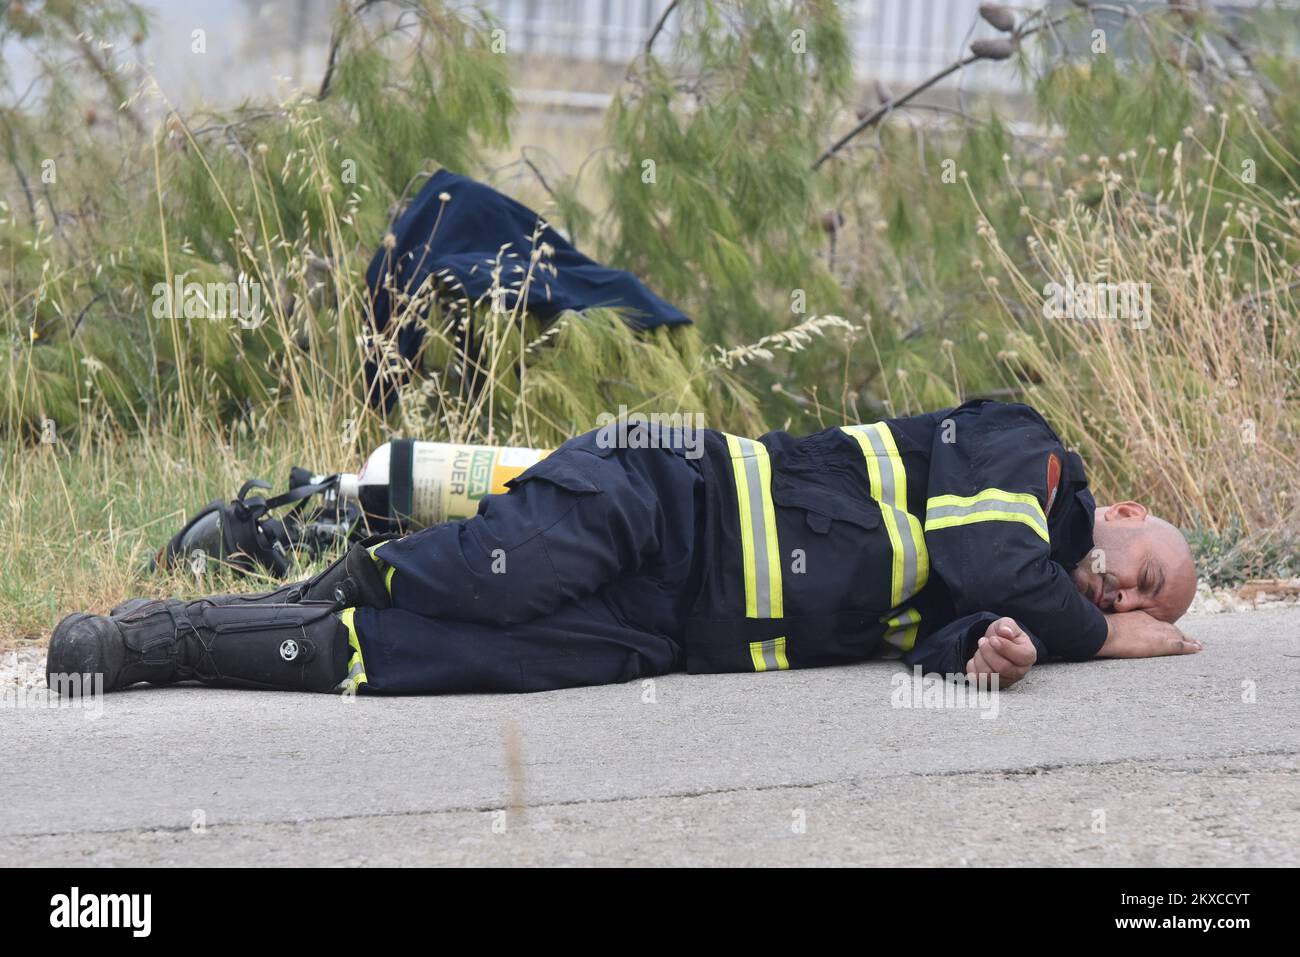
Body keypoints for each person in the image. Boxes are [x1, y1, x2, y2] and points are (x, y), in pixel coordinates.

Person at [45, 400, 1200, 697]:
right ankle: (330, 552)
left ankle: (156, 646)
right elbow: (992, 560)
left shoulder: (1040, 601)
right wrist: (1095, 635)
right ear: (1130, 515)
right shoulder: (1032, 462)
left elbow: (943, 628)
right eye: (1140, 577)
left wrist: (984, 658)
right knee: (487, 578)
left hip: (669, 633)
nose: (1122, 591)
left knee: (418, 660)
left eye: (1139, 602)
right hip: (668, 496)